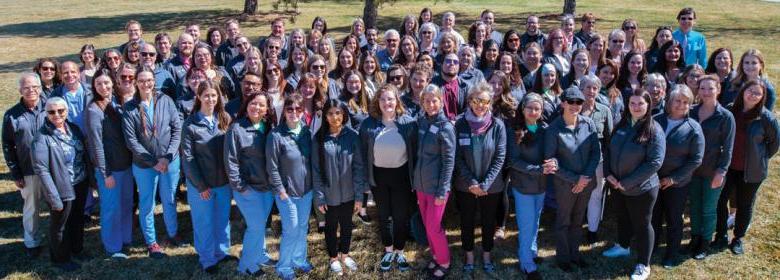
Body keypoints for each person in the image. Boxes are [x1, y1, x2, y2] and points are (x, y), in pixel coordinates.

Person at [602, 89, 665, 280]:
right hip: (618, 185)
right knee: (623, 217)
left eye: (640, 104)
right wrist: (609, 174)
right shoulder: (622, 125)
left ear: (648, 106)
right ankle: (623, 246)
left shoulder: (654, 130)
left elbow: (655, 162)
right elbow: (608, 151)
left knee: (643, 224)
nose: (636, 107)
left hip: (641, 188)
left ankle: (643, 264)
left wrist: (627, 183)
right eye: (632, 103)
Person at [122, 67, 184, 258]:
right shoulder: (130, 107)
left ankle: (173, 233)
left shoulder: (165, 100)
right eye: (141, 80)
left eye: (149, 80)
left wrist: (168, 157)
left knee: (169, 199)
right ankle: (151, 242)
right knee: (147, 203)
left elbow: (176, 129)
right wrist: (152, 161)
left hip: (169, 162)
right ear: (135, 83)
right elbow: (131, 141)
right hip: (144, 165)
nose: (146, 84)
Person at [714, 80, 780, 255]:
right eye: (750, 91)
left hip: (751, 170)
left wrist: (759, 159)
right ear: (743, 91)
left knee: (745, 203)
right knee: (720, 200)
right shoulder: (730, 109)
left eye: (758, 93)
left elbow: (773, 145)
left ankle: (738, 238)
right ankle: (720, 235)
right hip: (728, 167)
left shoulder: (767, 118)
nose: (753, 95)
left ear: (763, 97)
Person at [358, 84, 417, 272]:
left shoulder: (408, 123)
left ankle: (400, 251)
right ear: (377, 102)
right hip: (379, 176)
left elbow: (415, 152)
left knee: (400, 216)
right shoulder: (368, 124)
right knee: (384, 216)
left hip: (401, 175)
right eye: (383, 99)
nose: (387, 103)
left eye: (390, 99)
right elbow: (361, 154)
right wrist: (365, 181)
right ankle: (388, 250)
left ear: (397, 101)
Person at [544, 87, 601, 271]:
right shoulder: (553, 129)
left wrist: (584, 178)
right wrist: (576, 179)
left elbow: (595, 152)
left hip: (586, 182)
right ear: (563, 103)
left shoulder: (588, 124)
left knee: (578, 220)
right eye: (571, 102)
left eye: (579, 102)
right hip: (565, 185)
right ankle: (563, 258)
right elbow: (551, 161)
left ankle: (575, 255)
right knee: (563, 221)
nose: (575, 106)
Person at [453, 82, 507, 274]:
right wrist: (472, 182)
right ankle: (468, 254)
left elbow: (500, 157)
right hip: (465, 185)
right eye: (476, 100)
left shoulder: (498, 125)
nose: (480, 105)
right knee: (466, 221)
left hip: (491, 187)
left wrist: (485, 183)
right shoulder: (459, 124)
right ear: (469, 101)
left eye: (484, 101)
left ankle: (486, 254)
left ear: (490, 102)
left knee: (488, 221)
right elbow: (457, 157)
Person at [181, 80, 234, 273]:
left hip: (223, 182)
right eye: (206, 95)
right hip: (202, 185)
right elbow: (188, 158)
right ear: (199, 97)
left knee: (222, 219)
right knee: (204, 222)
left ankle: (221, 251)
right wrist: (201, 186)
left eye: (214, 95)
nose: (211, 99)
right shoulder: (191, 124)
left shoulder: (224, 118)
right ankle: (207, 258)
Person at [32, 96, 89, 271]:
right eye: (51, 111)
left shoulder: (73, 128)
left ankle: (76, 249)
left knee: (77, 219)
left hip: (80, 182)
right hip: (60, 187)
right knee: (60, 225)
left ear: (67, 111)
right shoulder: (42, 137)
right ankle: (60, 259)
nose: (57, 114)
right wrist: (53, 196)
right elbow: (42, 170)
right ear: (46, 114)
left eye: (61, 111)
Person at [224, 92, 278, 276]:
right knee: (255, 227)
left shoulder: (269, 127)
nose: (257, 108)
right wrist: (240, 186)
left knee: (260, 224)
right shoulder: (236, 129)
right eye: (253, 103)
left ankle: (260, 255)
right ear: (246, 105)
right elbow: (230, 161)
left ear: (267, 109)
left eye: (261, 105)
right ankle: (246, 265)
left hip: (267, 187)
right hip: (247, 188)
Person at [652, 85, 705, 268]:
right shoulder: (655, 120)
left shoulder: (693, 128)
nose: (681, 105)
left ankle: (671, 254)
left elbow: (696, 160)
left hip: (677, 184)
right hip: (652, 180)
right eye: (677, 100)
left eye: (686, 102)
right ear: (669, 101)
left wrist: (673, 179)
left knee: (674, 219)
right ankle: (651, 249)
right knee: (653, 216)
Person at [312, 100, 366, 276]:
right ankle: (333, 257)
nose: (335, 117)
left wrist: (359, 196)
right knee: (330, 226)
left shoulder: (352, 136)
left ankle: (345, 254)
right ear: (325, 116)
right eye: (330, 113)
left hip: (349, 193)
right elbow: (316, 171)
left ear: (344, 114)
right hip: (329, 194)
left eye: (338, 113)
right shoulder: (319, 139)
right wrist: (319, 197)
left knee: (347, 225)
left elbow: (359, 167)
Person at [84, 70, 134, 260]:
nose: (103, 87)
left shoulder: (116, 103)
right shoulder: (94, 110)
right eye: (99, 84)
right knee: (111, 208)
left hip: (126, 165)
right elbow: (96, 144)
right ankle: (113, 246)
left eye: (106, 83)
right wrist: (106, 173)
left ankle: (126, 239)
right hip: (109, 169)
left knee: (126, 204)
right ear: (94, 87)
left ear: (113, 83)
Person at [266, 93, 315, 280]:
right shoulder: (276, 135)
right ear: (284, 112)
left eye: (298, 109)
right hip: (286, 193)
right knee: (291, 228)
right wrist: (280, 190)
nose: (294, 112)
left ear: (303, 111)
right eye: (290, 109)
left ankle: (299, 259)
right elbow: (272, 167)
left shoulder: (307, 132)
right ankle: (284, 265)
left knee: (302, 227)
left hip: (306, 191)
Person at [687, 75, 735, 260]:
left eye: (710, 88)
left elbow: (728, 148)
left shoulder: (725, 116)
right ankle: (695, 238)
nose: (706, 92)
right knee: (695, 207)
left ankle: (705, 242)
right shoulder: (691, 112)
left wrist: (721, 172)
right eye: (703, 88)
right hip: (692, 171)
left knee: (708, 208)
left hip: (712, 171)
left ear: (718, 90)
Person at [413, 85, 456, 279]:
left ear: (441, 101)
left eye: (434, 100)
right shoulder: (422, 122)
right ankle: (436, 255)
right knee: (426, 224)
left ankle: (445, 261)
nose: (430, 104)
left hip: (437, 188)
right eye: (427, 101)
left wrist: (443, 190)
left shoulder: (445, 127)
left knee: (433, 227)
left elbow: (449, 161)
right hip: (421, 186)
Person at [2, 73, 47, 258]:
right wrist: (16, 173)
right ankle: (32, 242)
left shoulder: (51, 108)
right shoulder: (12, 115)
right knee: (32, 207)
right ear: (20, 90)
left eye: (35, 87)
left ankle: (59, 239)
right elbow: (7, 145)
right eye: (27, 87)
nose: (31, 90)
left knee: (58, 205)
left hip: (53, 169)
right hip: (28, 170)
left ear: (40, 88)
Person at [508, 93, 550, 280]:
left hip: (541, 185)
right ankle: (526, 263)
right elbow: (514, 161)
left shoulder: (545, 129)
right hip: (523, 185)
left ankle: (532, 251)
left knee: (536, 221)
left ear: (541, 111)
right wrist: (538, 169)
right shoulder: (515, 130)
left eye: (537, 108)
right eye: (530, 108)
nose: (533, 112)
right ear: (523, 109)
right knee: (526, 224)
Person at [578, 75, 613, 244]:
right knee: (576, 195)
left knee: (596, 195)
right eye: (588, 87)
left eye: (595, 88)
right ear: (581, 89)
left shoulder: (605, 110)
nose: (591, 91)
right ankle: (574, 228)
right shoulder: (573, 108)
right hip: (576, 162)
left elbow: (609, 138)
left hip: (598, 162)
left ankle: (592, 230)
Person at [432, 53, 470, 121]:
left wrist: (455, 121)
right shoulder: (432, 83)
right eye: (448, 61)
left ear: (459, 66)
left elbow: (468, 109)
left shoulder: (465, 86)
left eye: (455, 62)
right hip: (437, 124)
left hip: (458, 125)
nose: (452, 63)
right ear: (442, 64)